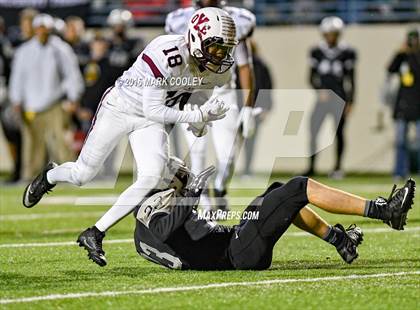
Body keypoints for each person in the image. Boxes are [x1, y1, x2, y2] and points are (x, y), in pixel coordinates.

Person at [22, 7, 237, 267]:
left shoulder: (219, 71)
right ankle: (50, 176)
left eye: (224, 50)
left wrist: (200, 119)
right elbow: (153, 108)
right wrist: (197, 116)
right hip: (121, 108)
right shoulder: (166, 53)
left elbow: (195, 100)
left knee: (152, 174)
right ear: (195, 38)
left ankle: (95, 232)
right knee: (82, 174)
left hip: (150, 121)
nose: (219, 56)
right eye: (214, 48)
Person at [133, 159, 415, 270]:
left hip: (236, 242)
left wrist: (187, 196)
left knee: (277, 191)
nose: (183, 177)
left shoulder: (158, 203)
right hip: (236, 252)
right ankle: (384, 211)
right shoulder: (150, 207)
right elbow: (161, 230)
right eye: (178, 175)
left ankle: (340, 241)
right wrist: (191, 193)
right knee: (297, 187)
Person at [165, 0, 257, 211]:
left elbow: (244, 65)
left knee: (228, 157)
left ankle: (220, 188)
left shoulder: (236, 20)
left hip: (223, 94)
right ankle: (203, 201)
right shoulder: (179, 20)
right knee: (196, 152)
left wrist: (248, 106)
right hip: (192, 94)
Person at [9, 13, 84, 179]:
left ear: (50, 30)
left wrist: (73, 97)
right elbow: (17, 78)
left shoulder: (60, 49)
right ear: (35, 30)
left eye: (45, 29)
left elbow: (72, 75)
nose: (42, 32)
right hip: (31, 106)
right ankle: (31, 180)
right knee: (33, 147)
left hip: (54, 104)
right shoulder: (24, 51)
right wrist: (16, 100)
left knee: (62, 144)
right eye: (39, 28)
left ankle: (71, 177)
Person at [305, 16, 357, 179]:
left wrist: (351, 101)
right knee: (313, 130)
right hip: (322, 98)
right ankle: (311, 167)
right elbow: (311, 77)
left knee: (339, 132)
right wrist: (319, 90)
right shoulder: (316, 51)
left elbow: (352, 79)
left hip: (339, 98)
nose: (330, 37)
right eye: (328, 33)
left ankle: (337, 167)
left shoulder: (348, 52)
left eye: (333, 33)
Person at [386, 28, 420, 180]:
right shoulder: (402, 57)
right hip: (403, 104)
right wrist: (400, 52)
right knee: (400, 142)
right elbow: (390, 68)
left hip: (418, 104)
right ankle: (400, 172)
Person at [240, 40, 273, 177]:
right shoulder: (237, 65)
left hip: (254, 108)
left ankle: (247, 169)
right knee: (233, 140)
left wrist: (265, 107)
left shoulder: (260, 65)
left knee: (250, 141)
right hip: (239, 107)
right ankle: (231, 168)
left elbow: (267, 87)